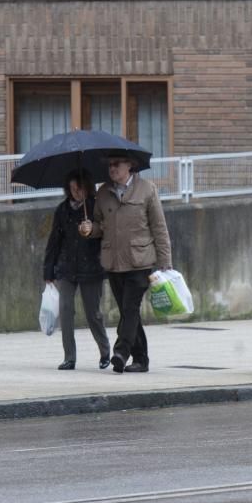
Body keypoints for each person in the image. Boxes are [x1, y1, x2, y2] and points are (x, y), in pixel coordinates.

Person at [79, 155, 171, 373]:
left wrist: (165, 261)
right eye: (109, 165)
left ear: (130, 165)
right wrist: (90, 229)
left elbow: (159, 227)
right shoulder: (103, 193)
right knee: (128, 312)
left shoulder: (147, 189)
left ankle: (121, 352)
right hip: (113, 262)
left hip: (140, 261)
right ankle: (141, 360)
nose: (112, 168)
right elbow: (101, 226)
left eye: (116, 164)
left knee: (130, 308)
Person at [42, 169, 111, 371]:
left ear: (87, 188)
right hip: (66, 267)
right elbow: (54, 241)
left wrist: (93, 230)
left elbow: (106, 232)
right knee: (65, 311)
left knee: (93, 313)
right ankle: (69, 357)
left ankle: (105, 351)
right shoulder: (62, 210)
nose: (76, 193)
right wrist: (48, 271)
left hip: (91, 267)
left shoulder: (95, 207)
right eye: (72, 189)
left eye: (79, 189)